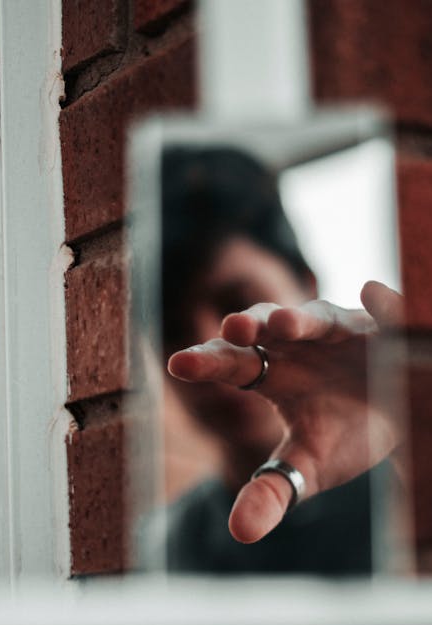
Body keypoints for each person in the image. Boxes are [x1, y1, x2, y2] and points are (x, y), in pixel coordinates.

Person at [144, 145, 402, 575]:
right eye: (171, 328)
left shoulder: (422, 494)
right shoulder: (160, 555)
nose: (209, 346)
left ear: (306, 284)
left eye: (239, 303)